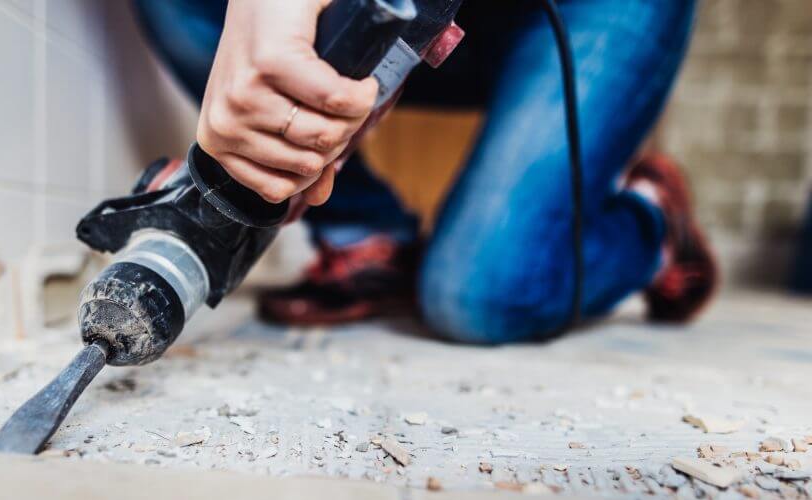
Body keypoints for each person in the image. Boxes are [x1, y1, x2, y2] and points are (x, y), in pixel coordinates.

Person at [133, 0, 718, 343]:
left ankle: (653, 228)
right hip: (450, 18)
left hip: (585, 12)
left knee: (478, 295)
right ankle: (366, 234)